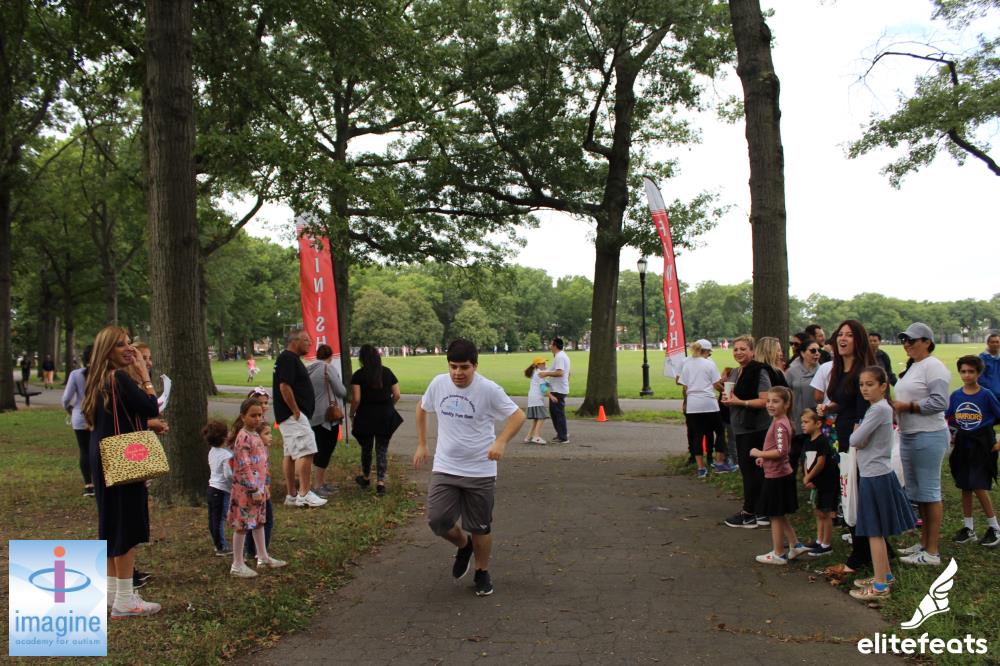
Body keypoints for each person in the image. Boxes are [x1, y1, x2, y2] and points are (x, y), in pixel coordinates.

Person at [413, 339, 526, 597]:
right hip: (446, 466)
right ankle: (464, 546)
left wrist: (501, 441)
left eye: (464, 367)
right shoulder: (438, 384)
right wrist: (422, 444)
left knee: (479, 526)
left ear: (475, 365)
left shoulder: (488, 389)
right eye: (453, 366)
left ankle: (481, 572)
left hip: (480, 470)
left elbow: (518, 415)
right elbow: (421, 408)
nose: (457, 373)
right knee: (438, 520)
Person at [81, 325, 161, 618]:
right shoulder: (119, 378)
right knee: (126, 526)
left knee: (111, 524)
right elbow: (151, 407)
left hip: (102, 457)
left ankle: (113, 592)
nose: (129, 349)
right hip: (122, 459)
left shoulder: (97, 380)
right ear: (107, 351)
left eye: (129, 343)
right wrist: (145, 377)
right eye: (120, 345)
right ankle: (125, 600)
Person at [848, 366, 917, 602]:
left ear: (883, 386)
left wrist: (858, 433)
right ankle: (885, 575)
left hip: (875, 475)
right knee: (874, 530)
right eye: (862, 384)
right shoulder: (879, 408)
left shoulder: (878, 409)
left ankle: (880, 586)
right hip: (876, 472)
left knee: (874, 531)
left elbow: (855, 439)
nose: (864, 389)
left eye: (870, 384)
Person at [893, 323, 951, 566]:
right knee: (919, 494)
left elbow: (940, 402)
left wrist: (908, 407)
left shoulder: (933, 366)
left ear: (927, 342)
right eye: (904, 340)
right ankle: (924, 543)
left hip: (928, 435)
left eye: (912, 340)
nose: (907, 344)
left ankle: (932, 552)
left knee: (930, 492)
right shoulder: (914, 366)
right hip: (909, 435)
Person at [722, 336, 781, 529]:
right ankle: (759, 511)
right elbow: (731, 394)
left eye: (743, 349)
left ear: (752, 351)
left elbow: (765, 400)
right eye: (736, 349)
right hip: (740, 427)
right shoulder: (736, 372)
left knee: (753, 471)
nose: (738, 352)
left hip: (755, 428)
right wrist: (726, 397)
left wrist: (740, 402)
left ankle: (750, 512)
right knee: (748, 470)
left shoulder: (759, 371)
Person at [749, 386, 809, 564]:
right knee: (779, 512)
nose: (770, 404)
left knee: (774, 514)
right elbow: (776, 448)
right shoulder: (779, 421)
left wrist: (759, 453)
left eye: (775, 401)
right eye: (768, 401)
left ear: (786, 404)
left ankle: (778, 553)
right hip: (777, 472)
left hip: (777, 476)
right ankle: (795, 545)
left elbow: (782, 451)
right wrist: (765, 458)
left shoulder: (780, 425)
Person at [227, 398, 287, 577]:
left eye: (260, 415)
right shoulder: (243, 437)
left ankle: (263, 556)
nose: (257, 419)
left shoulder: (255, 435)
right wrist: (253, 488)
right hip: (246, 490)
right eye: (253, 415)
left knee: (259, 521)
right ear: (243, 417)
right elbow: (244, 465)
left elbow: (263, 463)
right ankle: (237, 564)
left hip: (259, 489)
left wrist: (264, 485)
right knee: (243, 524)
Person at [945, 355, 1000, 547]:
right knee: (965, 485)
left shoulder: (986, 395)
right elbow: (949, 418)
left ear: (978, 373)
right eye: (963, 371)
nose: (967, 375)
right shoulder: (956, 396)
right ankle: (969, 528)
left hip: (982, 444)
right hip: (963, 444)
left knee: (978, 485)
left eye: (971, 371)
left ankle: (995, 528)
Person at [273, 329, 327, 508]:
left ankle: (292, 495)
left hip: (290, 415)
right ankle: (304, 493)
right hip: (293, 416)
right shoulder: (288, 358)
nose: (310, 343)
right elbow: (284, 386)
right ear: (294, 341)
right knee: (306, 450)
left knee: (290, 454)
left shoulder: (290, 359)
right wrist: (296, 410)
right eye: (306, 340)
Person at [350, 344, 403, 496]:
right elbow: (397, 394)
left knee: (366, 449)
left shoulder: (358, 375)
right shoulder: (387, 372)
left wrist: (352, 413)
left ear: (362, 358)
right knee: (382, 449)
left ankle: (366, 477)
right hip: (385, 416)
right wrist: (389, 405)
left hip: (365, 416)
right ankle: (381, 482)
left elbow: (357, 399)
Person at [679, 339, 731, 477]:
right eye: (709, 353)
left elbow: (685, 386)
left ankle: (701, 468)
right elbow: (716, 383)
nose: (709, 355)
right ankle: (719, 463)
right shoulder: (709, 364)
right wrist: (726, 392)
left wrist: (686, 402)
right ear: (706, 351)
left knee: (697, 435)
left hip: (693, 404)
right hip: (709, 402)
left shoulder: (687, 364)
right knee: (719, 431)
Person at [307, 344, 347, 498]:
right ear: (330, 356)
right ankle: (318, 485)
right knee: (326, 450)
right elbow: (341, 391)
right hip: (327, 417)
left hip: (313, 415)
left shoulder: (309, 369)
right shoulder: (327, 368)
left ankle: (320, 482)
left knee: (319, 449)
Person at [800, 409, 839, 557]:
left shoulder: (822, 441)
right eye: (802, 422)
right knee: (818, 512)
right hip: (815, 482)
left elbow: (820, 463)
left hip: (826, 482)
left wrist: (809, 477)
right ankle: (819, 540)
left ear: (817, 424)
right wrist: (807, 477)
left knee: (825, 513)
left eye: (806, 422)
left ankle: (826, 544)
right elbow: (806, 460)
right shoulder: (807, 441)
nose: (803, 425)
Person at [62, 345, 94, 497]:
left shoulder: (76, 374)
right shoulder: (104, 373)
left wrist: (68, 408)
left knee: (84, 449)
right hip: (99, 417)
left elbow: (66, 398)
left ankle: (89, 485)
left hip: (80, 415)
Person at [204, 420, 233, 556]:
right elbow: (228, 474)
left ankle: (217, 543)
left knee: (213, 518)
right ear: (224, 437)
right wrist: (236, 481)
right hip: (221, 490)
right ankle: (221, 546)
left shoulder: (212, 451)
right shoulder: (226, 455)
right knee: (219, 518)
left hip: (211, 488)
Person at [784, 336, 820, 434]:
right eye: (813, 350)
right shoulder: (791, 371)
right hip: (796, 419)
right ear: (803, 353)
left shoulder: (823, 371)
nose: (817, 353)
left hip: (816, 421)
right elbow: (785, 396)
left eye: (818, 350)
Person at [538, 337, 571, 444]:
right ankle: (561, 434)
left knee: (558, 414)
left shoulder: (560, 357)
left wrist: (545, 374)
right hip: (558, 388)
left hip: (558, 390)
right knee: (555, 413)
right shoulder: (561, 355)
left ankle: (563, 437)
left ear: (555, 346)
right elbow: (568, 373)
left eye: (551, 344)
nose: (550, 346)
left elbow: (560, 372)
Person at [523, 357, 550, 445]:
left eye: (544, 363)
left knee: (536, 419)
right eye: (542, 363)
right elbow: (543, 388)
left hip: (533, 398)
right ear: (537, 365)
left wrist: (548, 383)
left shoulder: (536, 372)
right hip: (536, 398)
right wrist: (551, 396)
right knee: (542, 416)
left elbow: (542, 383)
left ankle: (528, 437)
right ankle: (536, 436)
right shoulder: (539, 373)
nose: (544, 364)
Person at [978, 333, 1000, 397]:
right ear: (987, 343)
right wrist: (990, 391)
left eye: (997, 342)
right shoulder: (982, 358)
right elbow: (980, 378)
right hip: (990, 394)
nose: (995, 344)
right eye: (992, 342)